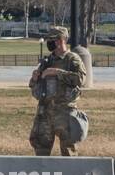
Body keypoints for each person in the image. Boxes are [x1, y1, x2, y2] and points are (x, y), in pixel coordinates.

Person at [28, 26, 87, 156]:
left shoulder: (72, 59)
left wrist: (57, 72)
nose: (49, 43)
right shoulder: (47, 61)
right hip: (45, 113)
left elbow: (81, 79)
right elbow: (34, 87)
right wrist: (34, 78)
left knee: (68, 153)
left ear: (61, 41)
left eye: (52, 40)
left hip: (64, 113)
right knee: (41, 152)